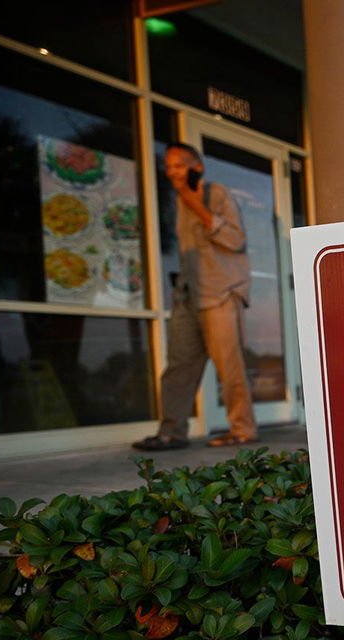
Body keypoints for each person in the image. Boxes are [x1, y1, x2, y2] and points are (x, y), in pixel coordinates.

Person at [133, 143, 258, 450]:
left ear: (197, 167)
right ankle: (172, 432)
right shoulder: (174, 202)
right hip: (188, 296)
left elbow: (235, 240)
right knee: (178, 367)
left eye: (179, 165)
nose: (172, 172)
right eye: (169, 166)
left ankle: (242, 429)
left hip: (221, 293)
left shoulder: (216, 194)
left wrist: (196, 204)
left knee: (229, 368)